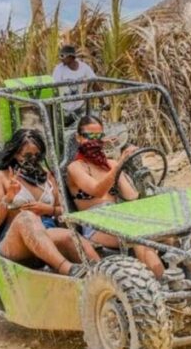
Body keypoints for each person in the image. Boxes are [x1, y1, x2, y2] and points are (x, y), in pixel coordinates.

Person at [0, 128, 100, 276]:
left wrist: (48, 210)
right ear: (15, 154)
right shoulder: (0, 177)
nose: (32, 159)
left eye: (36, 155)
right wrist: (8, 198)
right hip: (15, 243)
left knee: (70, 237)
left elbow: (64, 211)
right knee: (27, 217)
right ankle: (68, 268)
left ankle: (107, 276)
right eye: (27, 155)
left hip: (46, 234)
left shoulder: (47, 176)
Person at [66, 115, 165, 278]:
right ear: (78, 138)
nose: (93, 141)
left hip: (120, 216)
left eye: (97, 136)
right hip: (95, 223)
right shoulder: (75, 168)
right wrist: (118, 165)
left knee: (171, 233)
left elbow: (131, 197)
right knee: (137, 236)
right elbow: (97, 190)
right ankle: (162, 284)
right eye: (88, 137)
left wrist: (134, 177)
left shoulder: (110, 164)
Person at [51, 45, 101, 126]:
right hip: (63, 109)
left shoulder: (84, 67)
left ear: (71, 57)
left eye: (62, 56)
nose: (60, 58)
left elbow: (94, 83)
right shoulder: (59, 69)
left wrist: (103, 101)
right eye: (60, 56)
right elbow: (53, 88)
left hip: (79, 108)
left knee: (82, 130)